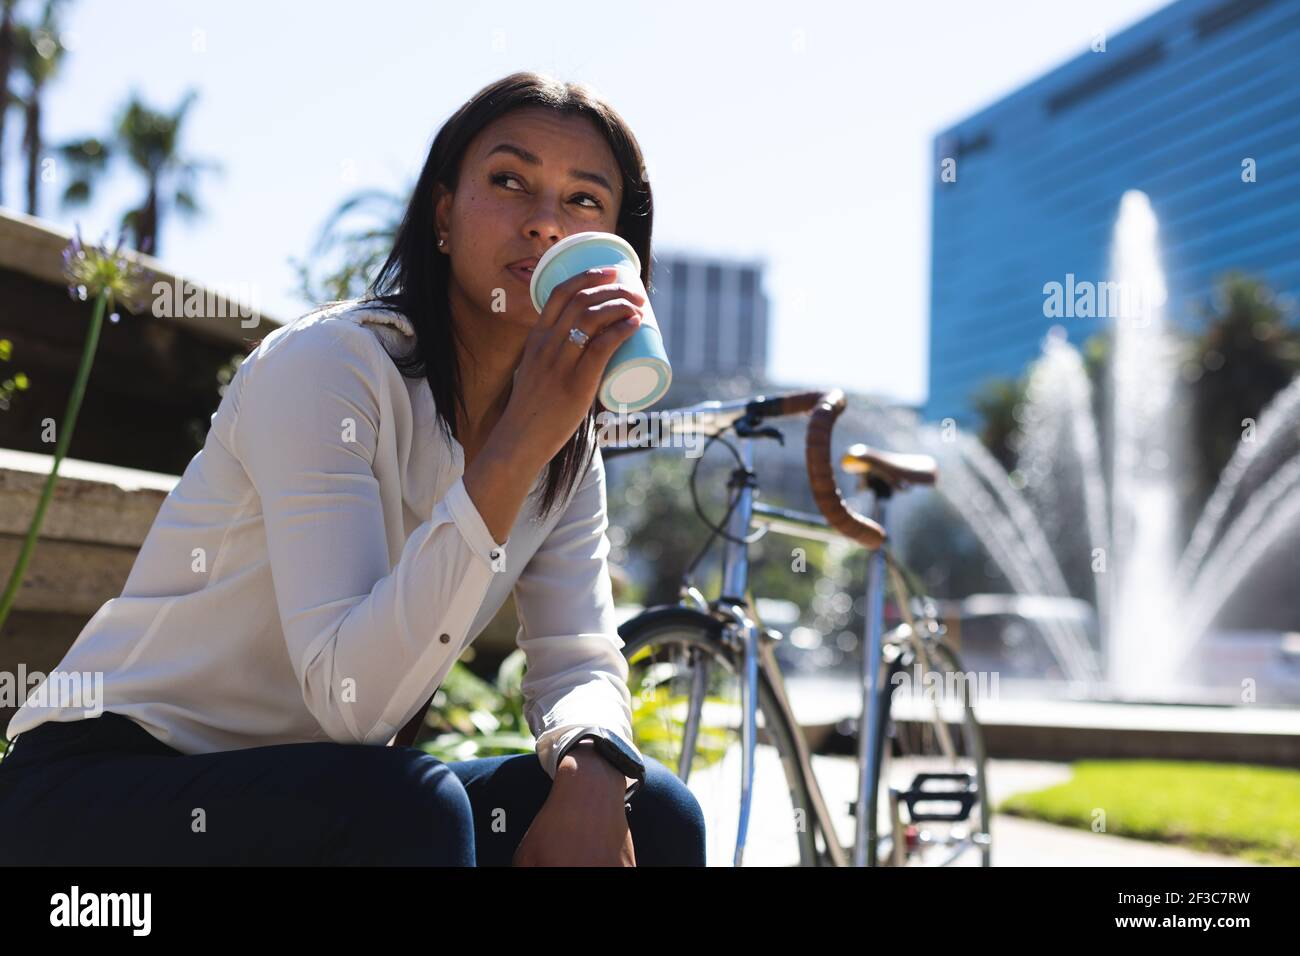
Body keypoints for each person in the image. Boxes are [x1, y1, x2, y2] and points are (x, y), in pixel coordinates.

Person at [0, 70, 706, 867]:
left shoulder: (564, 442)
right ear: (444, 215)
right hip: (107, 788)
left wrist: (593, 761)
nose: (544, 224)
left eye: (583, 202)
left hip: (321, 794)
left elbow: (576, 651)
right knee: (407, 807)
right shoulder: (331, 366)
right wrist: (513, 448)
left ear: (618, 254)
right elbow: (351, 704)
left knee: (654, 812)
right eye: (509, 182)